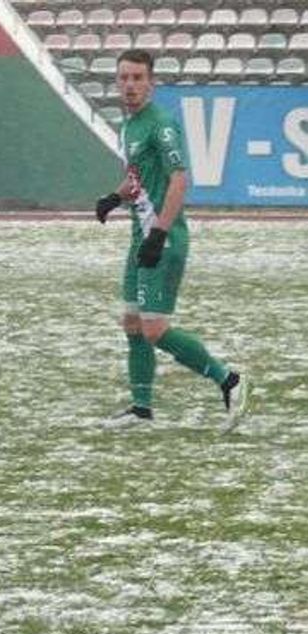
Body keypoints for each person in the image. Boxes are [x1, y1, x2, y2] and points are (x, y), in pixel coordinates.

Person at [95, 49, 248, 432]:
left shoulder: (161, 125)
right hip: (140, 238)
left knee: (154, 329)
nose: (130, 85)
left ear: (151, 82)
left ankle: (229, 380)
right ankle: (141, 408)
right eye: (124, 78)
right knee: (132, 322)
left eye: (137, 78)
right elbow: (138, 177)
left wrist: (160, 232)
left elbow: (179, 179)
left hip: (161, 240)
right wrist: (115, 197)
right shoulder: (129, 126)